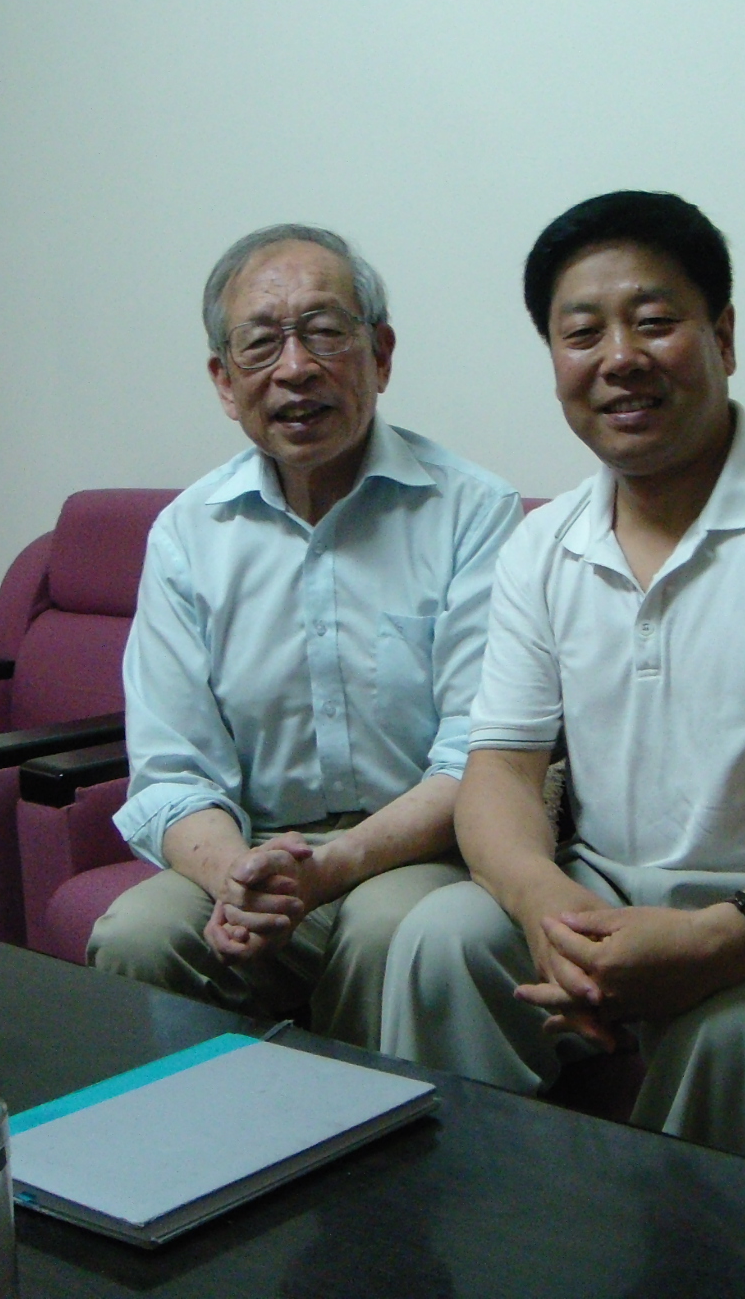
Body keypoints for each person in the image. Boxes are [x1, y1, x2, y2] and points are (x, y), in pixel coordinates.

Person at [382, 191, 745, 1165]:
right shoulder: (541, 545)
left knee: (729, 1033)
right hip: (603, 889)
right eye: (582, 334)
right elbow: (500, 773)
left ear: (722, 337)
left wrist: (726, 939)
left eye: (653, 322)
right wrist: (545, 912)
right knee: (440, 941)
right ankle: (468, 1230)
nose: (620, 358)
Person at [88, 224, 521, 1051]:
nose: (295, 369)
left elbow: (481, 754)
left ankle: (375, 1134)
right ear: (224, 381)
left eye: (324, 332)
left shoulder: (472, 512)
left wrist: (335, 867)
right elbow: (173, 766)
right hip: (255, 846)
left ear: (380, 354)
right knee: (139, 936)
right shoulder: (187, 533)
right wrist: (235, 877)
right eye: (261, 343)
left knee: (385, 930)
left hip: (421, 852)